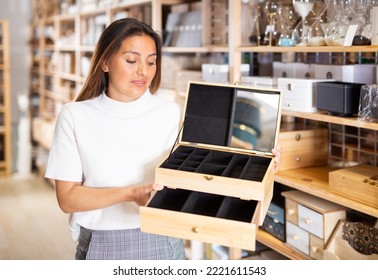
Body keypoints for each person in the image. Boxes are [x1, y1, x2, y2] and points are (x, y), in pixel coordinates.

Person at [45, 18, 282, 260]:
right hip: (101, 244)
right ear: (105, 62)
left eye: (151, 62)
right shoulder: (74, 116)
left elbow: (198, 177)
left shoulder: (171, 112)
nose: (143, 71)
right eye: (131, 60)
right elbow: (67, 198)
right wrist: (130, 193)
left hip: (163, 240)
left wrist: (259, 164)